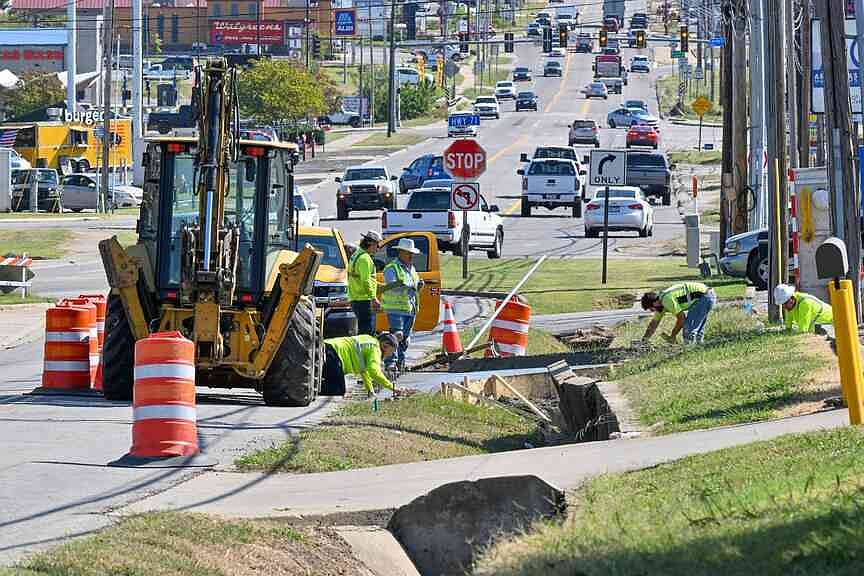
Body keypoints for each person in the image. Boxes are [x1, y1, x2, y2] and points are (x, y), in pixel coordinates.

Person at [380, 238, 424, 369]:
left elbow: (414, 286)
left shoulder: (412, 268)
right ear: (400, 252)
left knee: (405, 338)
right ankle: (391, 363)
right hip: (396, 309)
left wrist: (419, 286)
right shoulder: (392, 268)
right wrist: (409, 286)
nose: (411, 256)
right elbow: (392, 286)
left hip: (410, 308)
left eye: (412, 253)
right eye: (409, 253)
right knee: (397, 336)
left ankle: (400, 362)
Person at [321, 332, 398, 397]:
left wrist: (370, 391)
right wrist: (392, 387)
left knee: (332, 383)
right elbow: (374, 371)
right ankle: (315, 388)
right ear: (385, 345)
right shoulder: (376, 348)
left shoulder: (370, 340)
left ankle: (316, 385)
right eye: (391, 351)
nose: (390, 355)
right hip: (333, 354)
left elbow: (364, 371)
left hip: (326, 347)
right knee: (338, 389)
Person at [641, 281, 716, 344]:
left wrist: (673, 335)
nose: (653, 311)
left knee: (688, 331)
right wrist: (644, 340)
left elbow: (681, 319)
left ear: (654, 303)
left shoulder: (666, 300)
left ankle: (688, 351)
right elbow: (653, 324)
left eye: (651, 309)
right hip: (707, 295)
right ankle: (699, 348)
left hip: (705, 297)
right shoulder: (661, 303)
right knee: (697, 331)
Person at [348, 230, 381, 335]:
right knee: (368, 332)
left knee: (362, 331)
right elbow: (365, 281)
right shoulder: (365, 258)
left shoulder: (356, 254)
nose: (378, 248)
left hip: (355, 298)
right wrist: (373, 298)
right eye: (377, 245)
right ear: (370, 243)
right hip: (364, 300)